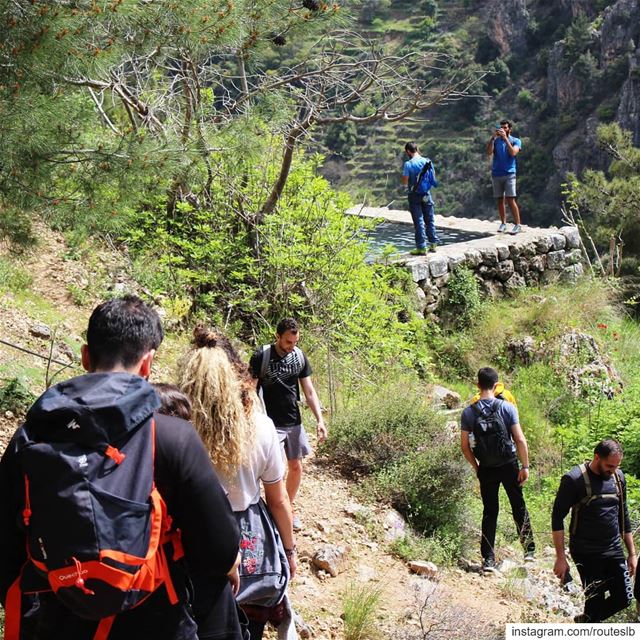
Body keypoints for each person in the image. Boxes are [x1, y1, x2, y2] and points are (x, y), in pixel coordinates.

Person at [0, 296, 244, 640]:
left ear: (86, 356)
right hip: (155, 623)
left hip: (57, 622)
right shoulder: (173, 438)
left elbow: (7, 549)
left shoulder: (32, 438)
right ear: (147, 364)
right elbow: (219, 552)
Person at [179, 327, 297, 640]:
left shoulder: (176, 425)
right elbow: (278, 500)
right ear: (238, 373)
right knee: (250, 623)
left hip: (190, 538)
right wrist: (289, 550)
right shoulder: (261, 426)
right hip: (249, 540)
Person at [249, 318, 326, 532]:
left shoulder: (299, 356)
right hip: (269, 423)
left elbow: (309, 391)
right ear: (278, 337)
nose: (292, 346)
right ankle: (274, 509)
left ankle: (287, 507)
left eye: (295, 341)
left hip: (294, 421)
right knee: (276, 470)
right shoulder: (261, 356)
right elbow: (250, 391)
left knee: (296, 467)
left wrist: (319, 419)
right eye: (288, 342)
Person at [552, 439, 636, 623]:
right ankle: (590, 623)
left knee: (624, 598)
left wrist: (632, 553)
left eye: (616, 466)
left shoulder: (618, 478)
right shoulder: (574, 479)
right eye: (609, 465)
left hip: (613, 548)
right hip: (585, 551)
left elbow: (624, 517)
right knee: (595, 600)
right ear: (596, 457)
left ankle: (587, 622)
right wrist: (560, 557)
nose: (613, 470)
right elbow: (557, 517)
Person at [460, 367, 535, 573]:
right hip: (509, 463)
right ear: (496, 385)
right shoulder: (507, 407)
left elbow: (465, 446)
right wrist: (525, 466)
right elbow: (519, 439)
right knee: (518, 505)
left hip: (486, 467)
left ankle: (488, 560)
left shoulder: (468, 412)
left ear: (478, 385)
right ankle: (529, 552)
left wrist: (477, 467)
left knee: (490, 512)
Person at [401, 141, 441, 255]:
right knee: (429, 219)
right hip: (426, 194)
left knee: (419, 221)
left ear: (408, 151)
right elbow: (433, 179)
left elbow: (405, 181)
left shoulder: (408, 164)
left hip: (414, 195)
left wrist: (407, 184)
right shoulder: (428, 161)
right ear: (417, 149)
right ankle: (433, 244)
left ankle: (421, 247)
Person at [486, 119, 522, 235]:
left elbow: (513, 153)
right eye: (501, 128)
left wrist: (506, 139)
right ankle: (503, 223)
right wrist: (492, 138)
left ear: (509, 129)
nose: (503, 130)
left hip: (509, 173)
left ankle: (517, 224)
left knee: (511, 199)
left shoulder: (516, 141)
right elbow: (488, 152)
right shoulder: (496, 141)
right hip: (496, 174)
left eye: (505, 128)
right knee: (500, 200)